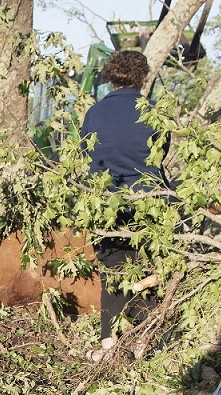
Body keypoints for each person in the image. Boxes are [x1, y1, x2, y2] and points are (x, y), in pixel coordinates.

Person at [79, 50, 166, 360]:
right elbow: (161, 152)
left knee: (112, 273)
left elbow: (85, 151)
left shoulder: (95, 113)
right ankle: (147, 341)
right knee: (150, 270)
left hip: (106, 203)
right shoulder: (153, 111)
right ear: (142, 77)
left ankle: (109, 346)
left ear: (110, 77)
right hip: (150, 202)